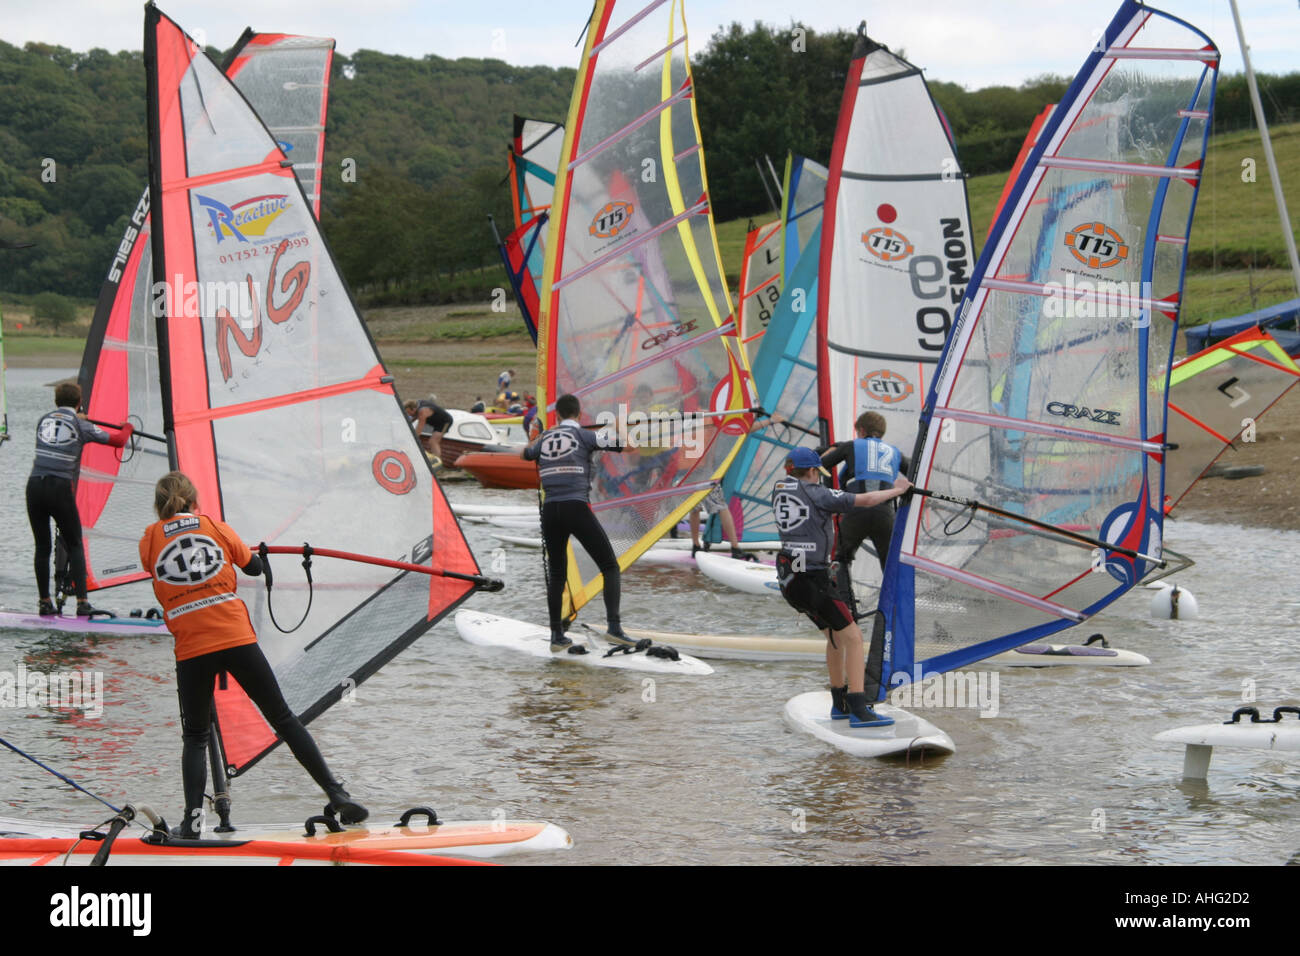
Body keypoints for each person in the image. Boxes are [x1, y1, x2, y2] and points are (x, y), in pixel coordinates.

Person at [138, 471, 367, 838]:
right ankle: (337, 793)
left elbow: (165, 569)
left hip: (192, 647)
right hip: (235, 637)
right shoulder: (217, 527)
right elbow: (253, 567)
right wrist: (253, 556)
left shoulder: (148, 540)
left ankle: (193, 824)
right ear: (195, 500)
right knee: (283, 718)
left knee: (195, 737)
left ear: (159, 504)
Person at [772, 446, 910, 727]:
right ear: (811, 472)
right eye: (817, 473)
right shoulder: (817, 493)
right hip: (811, 579)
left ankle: (839, 703)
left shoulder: (779, 488)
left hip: (790, 577)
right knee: (854, 637)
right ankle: (859, 709)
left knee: (835, 636)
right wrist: (898, 489)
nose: (819, 478)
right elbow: (868, 499)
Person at [521, 393, 633, 652]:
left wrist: (535, 435)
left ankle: (556, 636)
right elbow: (628, 447)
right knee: (609, 566)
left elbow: (525, 455)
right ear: (579, 415)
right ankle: (614, 628)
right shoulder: (586, 436)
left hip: (551, 511)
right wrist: (618, 426)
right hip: (576, 508)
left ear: (558, 415)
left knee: (557, 574)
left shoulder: (546, 437)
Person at [27, 382, 132, 616]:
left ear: (56, 401)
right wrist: (128, 426)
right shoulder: (81, 424)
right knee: (74, 543)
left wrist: (80, 417)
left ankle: (45, 602)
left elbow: (61, 425)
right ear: (78, 402)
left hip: (34, 486)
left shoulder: (43, 420)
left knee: (42, 547)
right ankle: (82, 603)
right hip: (59, 488)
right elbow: (119, 440)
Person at [819, 411, 907, 616]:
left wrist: (833, 450)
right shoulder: (895, 452)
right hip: (885, 514)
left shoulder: (851, 446)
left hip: (856, 510)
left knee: (841, 558)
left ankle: (846, 606)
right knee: (890, 562)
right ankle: (895, 609)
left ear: (862, 430)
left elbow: (822, 465)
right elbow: (913, 472)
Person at [689, 411, 786, 560]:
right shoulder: (715, 420)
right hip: (704, 474)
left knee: (695, 509)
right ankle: (734, 548)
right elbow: (744, 429)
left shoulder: (698, 420)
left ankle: (695, 546)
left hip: (690, 472)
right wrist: (770, 421)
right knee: (722, 507)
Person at [404, 394, 452, 460]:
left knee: (433, 441)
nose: (409, 415)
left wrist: (412, 441)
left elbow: (419, 429)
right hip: (436, 422)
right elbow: (413, 417)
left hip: (445, 422)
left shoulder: (423, 412)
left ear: (414, 409)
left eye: (409, 413)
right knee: (432, 441)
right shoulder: (416, 404)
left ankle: (437, 460)